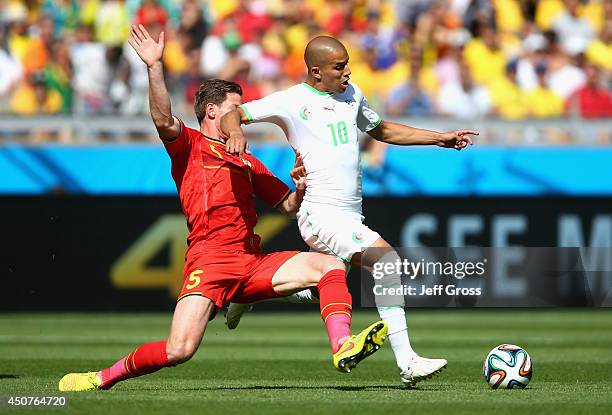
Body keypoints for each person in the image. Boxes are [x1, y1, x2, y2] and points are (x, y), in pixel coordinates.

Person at [58, 26, 387, 392]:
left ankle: (343, 347)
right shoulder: (190, 145)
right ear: (212, 111)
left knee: (329, 266)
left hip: (251, 261)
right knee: (178, 349)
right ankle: (101, 377)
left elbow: (290, 207)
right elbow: (163, 119)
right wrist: (154, 66)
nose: (242, 117)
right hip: (209, 262)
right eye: (235, 110)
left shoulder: (249, 162)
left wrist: (300, 187)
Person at [220, 35, 478, 387]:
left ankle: (245, 294)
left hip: (349, 214)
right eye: (338, 67)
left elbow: (383, 129)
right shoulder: (293, 100)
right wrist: (234, 133)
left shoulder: (353, 94)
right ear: (316, 72)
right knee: (386, 261)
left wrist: (439, 138)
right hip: (320, 211)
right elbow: (235, 113)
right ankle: (407, 361)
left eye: (347, 64)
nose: (347, 72)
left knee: (323, 281)